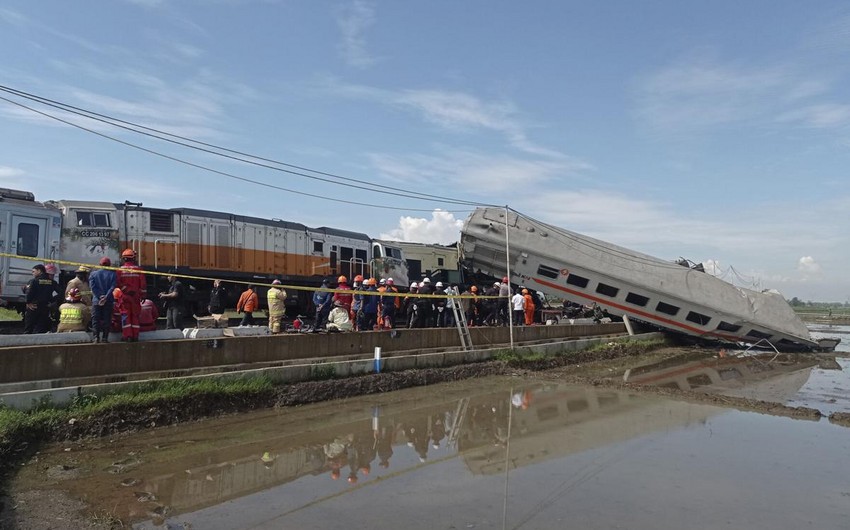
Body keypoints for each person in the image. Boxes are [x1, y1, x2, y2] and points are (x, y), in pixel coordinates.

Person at [116, 249, 146, 342]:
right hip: (135, 297)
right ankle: (135, 336)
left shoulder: (120, 270)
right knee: (135, 315)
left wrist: (126, 290)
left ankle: (127, 336)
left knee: (125, 316)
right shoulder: (139, 270)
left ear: (124, 259)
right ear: (133, 258)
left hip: (125, 297)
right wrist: (143, 295)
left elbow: (118, 283)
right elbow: (143, 284)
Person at [23, 264, 59, 334]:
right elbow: (61, 293)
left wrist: (28, 302)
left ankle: (27, 340)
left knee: (29, 327)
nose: (32, 273)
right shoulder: (52, 282)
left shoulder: (33, 281)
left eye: (34, 271)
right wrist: (52, 300)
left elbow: (29, 293)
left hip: (34, 306)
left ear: (39, 271)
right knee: (41, 328)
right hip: (45, 307)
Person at [89, 257, 116, 343]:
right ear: (109, 265)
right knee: (107, 319)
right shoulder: (113, 274)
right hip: (108, 300)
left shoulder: (93, 274)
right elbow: (112, 287)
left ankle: (96, 338)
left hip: (96, 301)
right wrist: (106, 297)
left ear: (100, 264)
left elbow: (92, 287)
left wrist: (99, 296)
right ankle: (105, 338)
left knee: (95, 319)